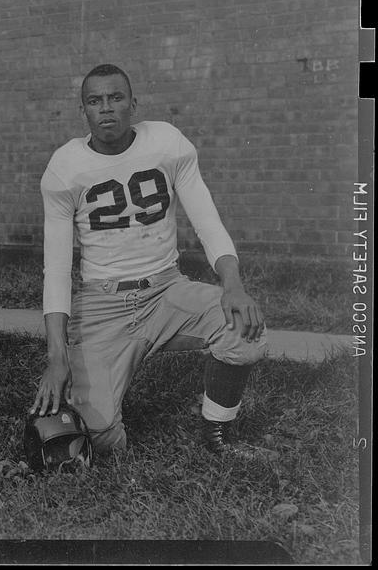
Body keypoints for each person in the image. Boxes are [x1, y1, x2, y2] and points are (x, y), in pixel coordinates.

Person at [31, 63, 268, 458]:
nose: (106, 108)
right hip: (103, 304)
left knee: (246, 331)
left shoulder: (167, 143)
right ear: (83, 112)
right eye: (95, 101)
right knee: (99, 439)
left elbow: (207, 222)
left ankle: (216, 435)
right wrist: (56, 358)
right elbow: (55, 269)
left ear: (133, 105)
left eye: (116, 98)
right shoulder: (64, 168)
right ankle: (97, 395)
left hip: (166, 290)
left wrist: (233, 285)